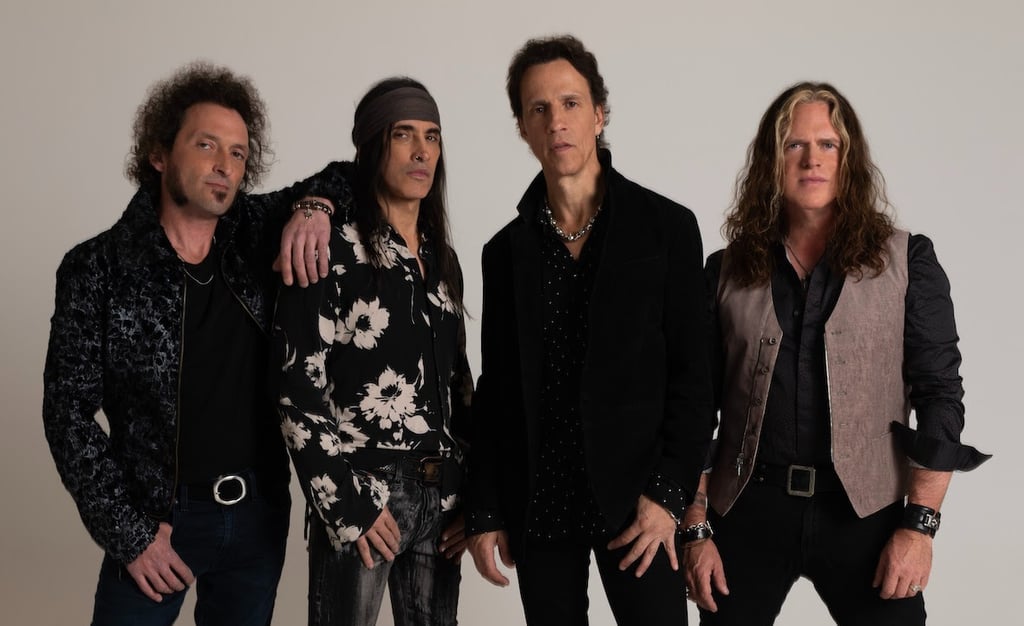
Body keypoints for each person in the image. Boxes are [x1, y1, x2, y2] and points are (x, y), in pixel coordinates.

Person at [684, 81, 990, 626]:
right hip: (748, 509)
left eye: (828, 144)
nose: (813, 160)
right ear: (771, 161)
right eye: (794, 145)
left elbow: (939, 394)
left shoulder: (908, 262)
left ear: (850, 159)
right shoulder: (725, 271)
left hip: (865, 515)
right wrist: (696, 525)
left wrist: (919, 527)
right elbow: (692, 405)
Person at [42, 61, 337, 625]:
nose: (225, 165)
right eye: (207, 145)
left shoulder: (255, 235)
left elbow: (345, 176)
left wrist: (313, 208)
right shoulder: (98, 267)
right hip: (156, 519)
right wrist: (129, 534)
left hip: (256, 516)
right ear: (159, 154)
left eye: (238, 153)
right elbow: (66, 412)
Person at [464, 35, 715, 625]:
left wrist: (668, 496)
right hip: (541, 501)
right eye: (539, 108)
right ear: (523, 129)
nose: (556, 121)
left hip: (640, 503)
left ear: (599, 114)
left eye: (571, 103)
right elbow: (496, 391)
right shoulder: (505, 251)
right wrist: (485, 508)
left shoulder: (667, 228)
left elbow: (694, 378)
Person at [272, 77, 472, 626]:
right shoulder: (330, 246)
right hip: (366, 487)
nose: (421, 151)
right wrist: (345, 504)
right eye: (403, 134)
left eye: (432, 136)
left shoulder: (443, 260)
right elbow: (295, 385)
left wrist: (473, 496)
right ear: (371, 145)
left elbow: (459, 385)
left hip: (442, 497)